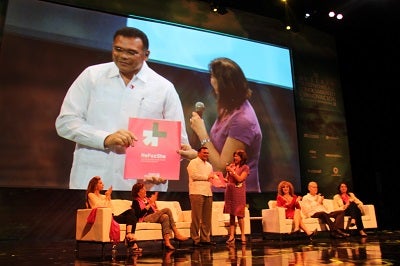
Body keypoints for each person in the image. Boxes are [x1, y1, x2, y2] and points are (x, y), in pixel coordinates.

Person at [55, 26, 191, 191]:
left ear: (146, 55)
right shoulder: (92, 76)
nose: (123, 56)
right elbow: (66, 123)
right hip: (90, 181)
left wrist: (161, 168)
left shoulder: (164, 88)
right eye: (118, 49)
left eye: (131, 52)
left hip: (142, 187)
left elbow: (178, 143)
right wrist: (105, 138)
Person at [188, 57, 262, 192]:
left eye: (213, 77)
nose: (211, 81)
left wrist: (202, 133)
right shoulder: (228, 105)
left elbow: (223, 168)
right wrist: (195, 155)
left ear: (222, 83)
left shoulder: (242, 120)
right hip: (219, 190)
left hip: (238, 194)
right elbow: (216, 151)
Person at [85, 176, 142, 252]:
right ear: (95, 185)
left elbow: (110, 207)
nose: (103, 184)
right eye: (100, 183)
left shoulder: (103, 196)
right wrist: (107, 197)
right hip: (105, 218)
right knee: (132, 217)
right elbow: (98, 206)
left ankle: (129, 235)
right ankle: (132, 243)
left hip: (112, 216)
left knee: (131, 213)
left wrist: (107, 197)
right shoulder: (91, 195)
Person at [131, 182, 189, 250]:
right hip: (144, 219)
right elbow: (139, 214)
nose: (145, 190)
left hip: (152, 216)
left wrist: (156, 211)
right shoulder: (135, 202)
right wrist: (150, 204)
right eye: (143, 189)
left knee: (165, 217)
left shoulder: (146, 199)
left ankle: (167, 242)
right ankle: (176, 233)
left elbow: (153, 210)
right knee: (167, 210)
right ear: (138, 192)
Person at [186, 147, 215, 247]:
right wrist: (207, 178)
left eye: (207, 153)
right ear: (198, 153)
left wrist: (217, 182)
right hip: (196, 192)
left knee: (207, 218)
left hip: (208, 192)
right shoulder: (193, 162)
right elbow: (194, 175)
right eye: (204, 153)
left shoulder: (209, 165)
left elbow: (212, 178)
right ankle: (195, 239)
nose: (206, 154)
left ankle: (205, 239)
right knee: (196, 217)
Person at [224, 149, 249, 245]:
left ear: (242, 158)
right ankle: (231, 236)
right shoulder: (231, 166)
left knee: (239, 214)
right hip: (229, 191)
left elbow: (240, 179)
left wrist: (232, 171)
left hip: (238, 192)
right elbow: (227, 179)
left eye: (237, 156)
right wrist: (220, 180)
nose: (235, 158)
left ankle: (242, 234)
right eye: (234, 156)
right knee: (231, 214)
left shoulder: (245, 167)